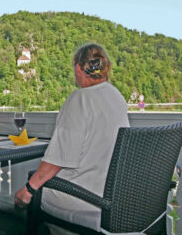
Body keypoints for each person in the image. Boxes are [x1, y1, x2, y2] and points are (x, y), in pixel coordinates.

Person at [15, 43, 130, 235]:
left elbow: (58, 159)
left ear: (78, 68)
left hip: (85, 198)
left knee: (35, 190)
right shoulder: (116, 96)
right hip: (114, 195)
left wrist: (28, 190)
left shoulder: (79, 98)